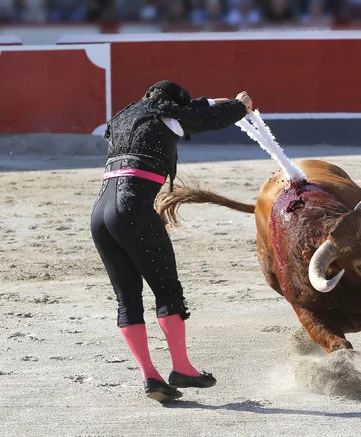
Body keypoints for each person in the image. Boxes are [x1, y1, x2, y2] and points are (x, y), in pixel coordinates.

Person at [90, 80, 252, 403]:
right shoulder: (169, 115)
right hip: (132, 209)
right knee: (167, 291)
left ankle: (151, 377)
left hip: (99, 216)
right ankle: (181, 368)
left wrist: (217, 101)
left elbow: (198, 109)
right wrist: (240, 106)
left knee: (128, 300)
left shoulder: (126, 115)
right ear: (174, 104)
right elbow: (208, 118)